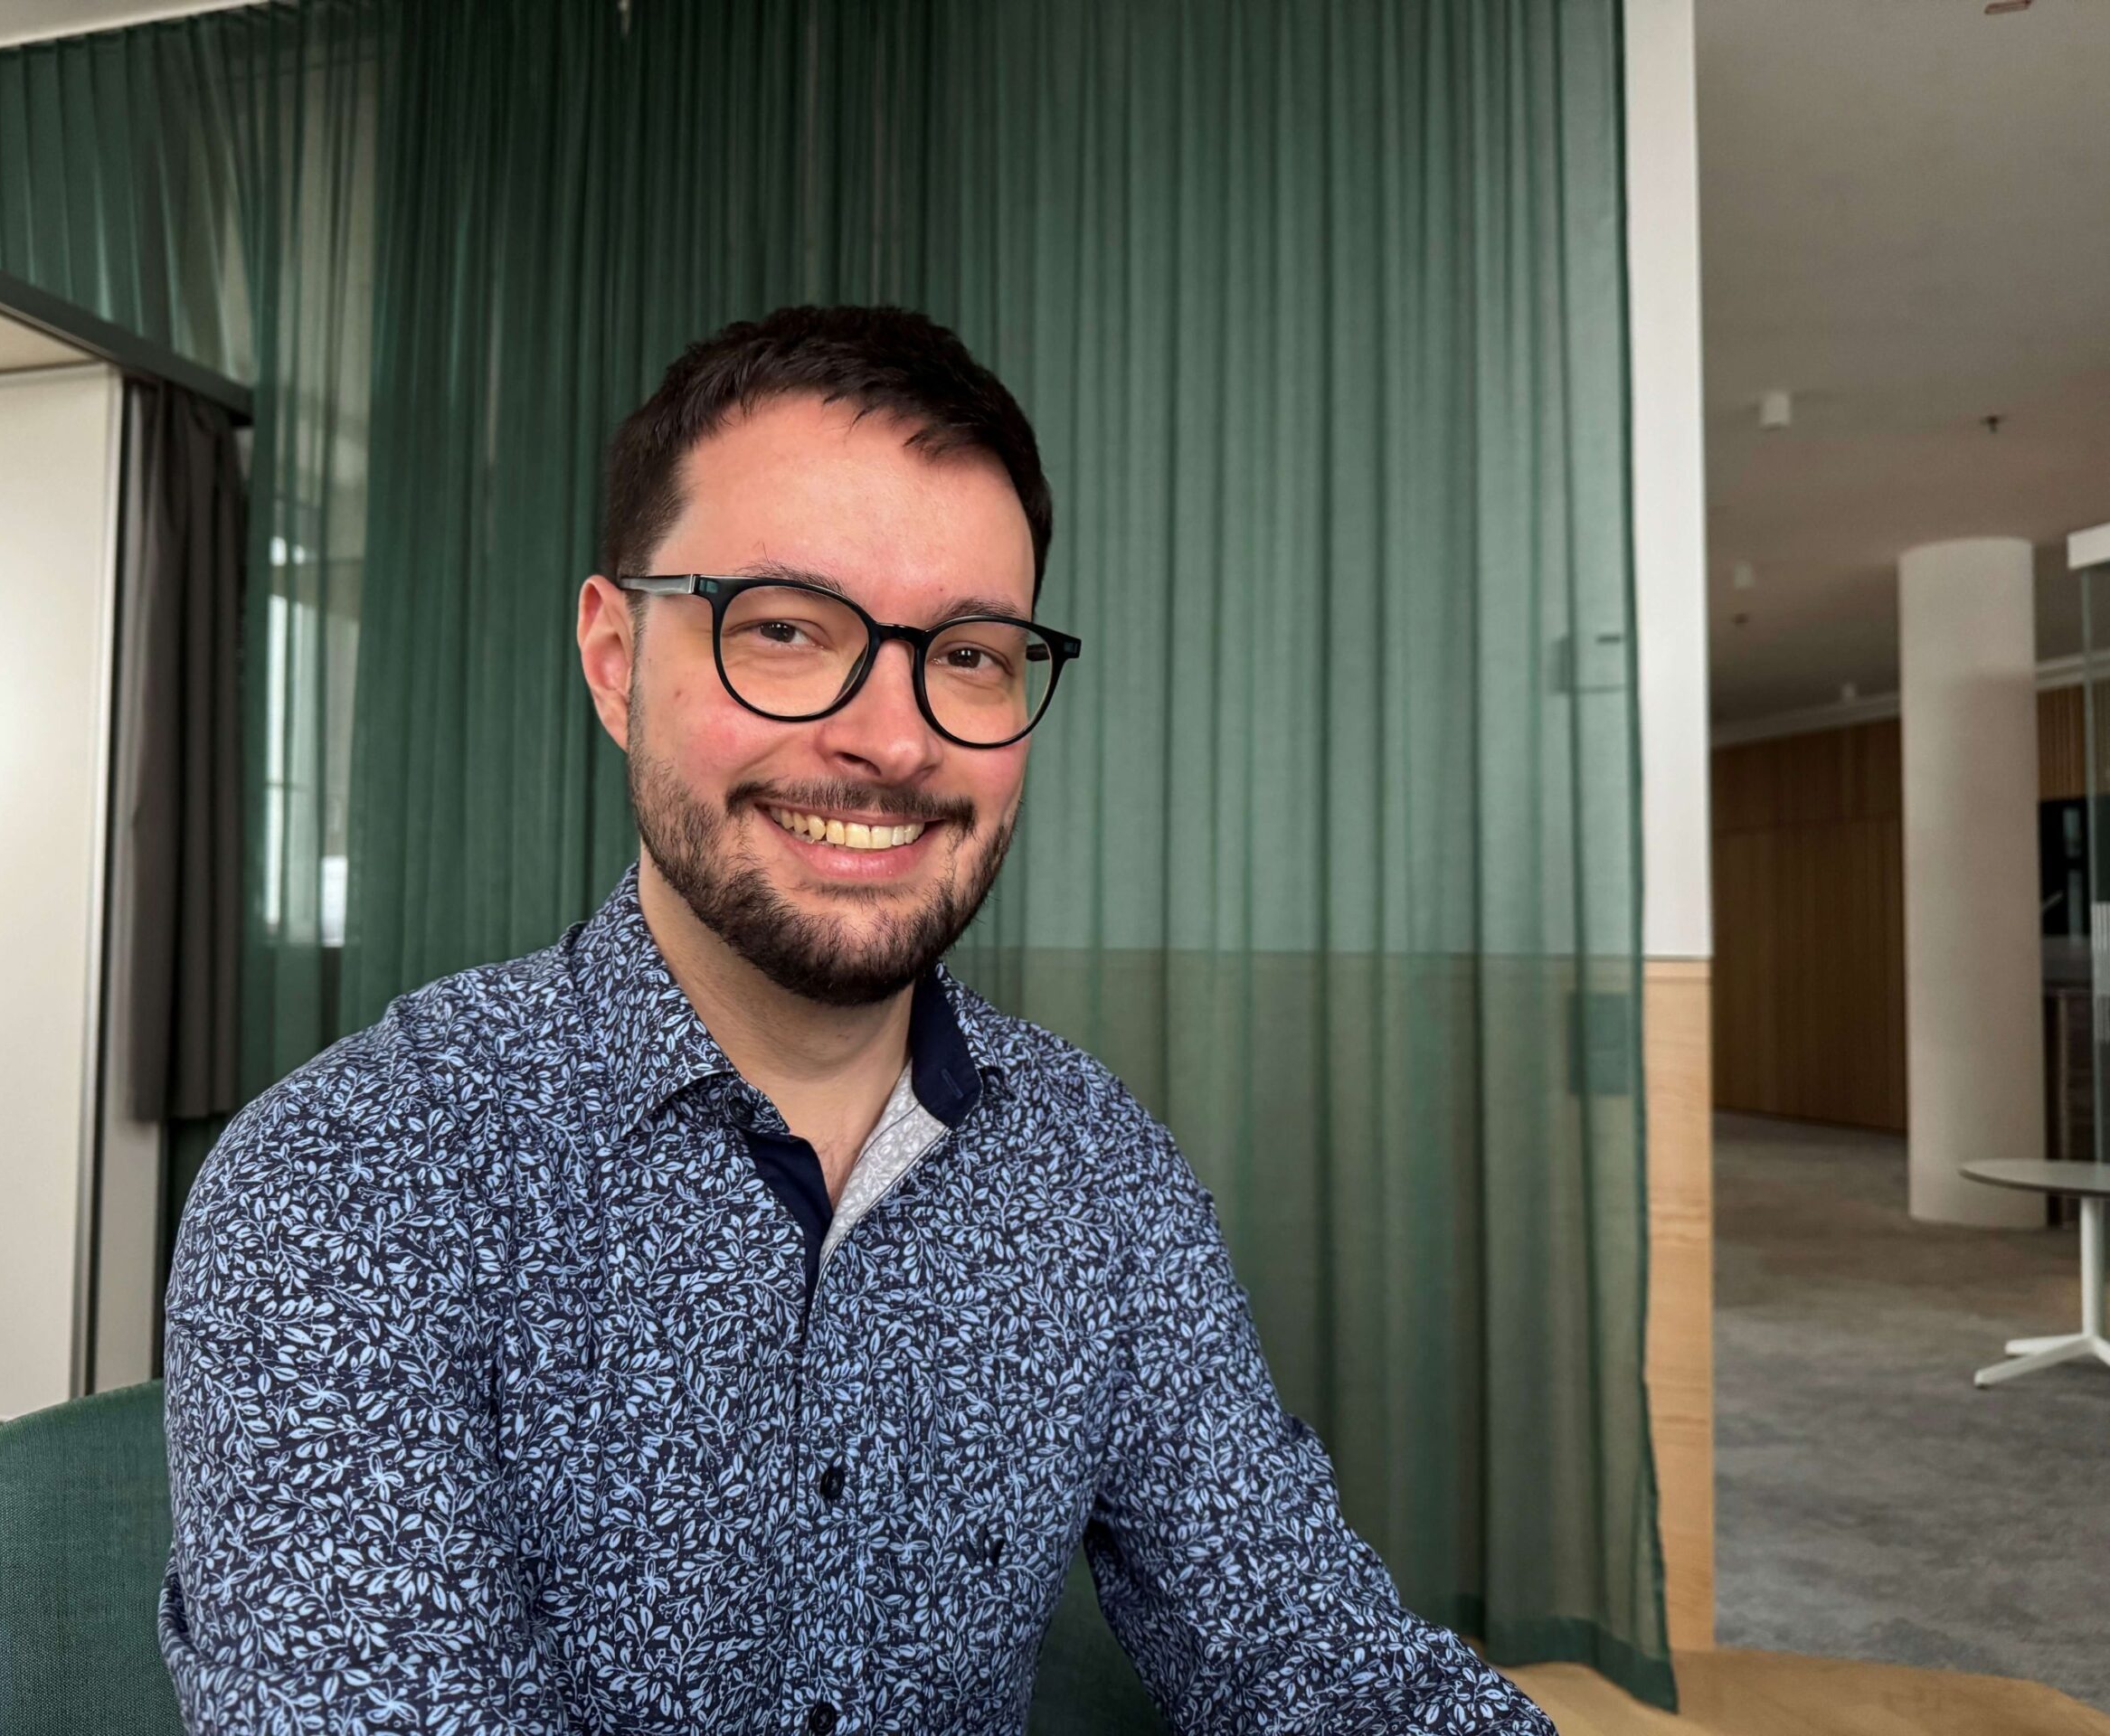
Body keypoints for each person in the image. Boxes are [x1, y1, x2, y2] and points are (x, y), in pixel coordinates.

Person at [158, 305, 1556, 1736]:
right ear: (613, 655)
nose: (893, 741)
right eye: (783, 629)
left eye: (969, 655)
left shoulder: (1100, 1179)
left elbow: (1318, 1662)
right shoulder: (355, 1181)